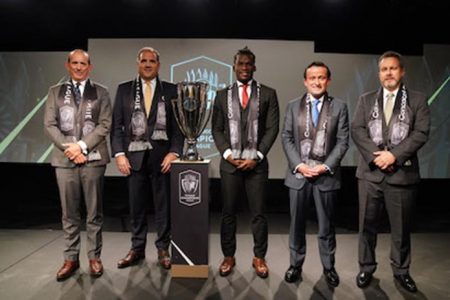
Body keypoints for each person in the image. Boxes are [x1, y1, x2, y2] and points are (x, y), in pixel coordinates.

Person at [351, 51, 430, 293]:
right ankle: (366, 267)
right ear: (379, 74)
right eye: (384, 69)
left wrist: (393, 155)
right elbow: (357, 129)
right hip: (370, 175)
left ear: (402, 71)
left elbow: (421, 133)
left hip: (402, 176)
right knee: (367, 226)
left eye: (393, 68)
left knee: (401, 229)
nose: (388, 73)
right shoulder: (366, 100)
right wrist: (378, 156)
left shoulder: (417, 99)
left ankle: (401, 271)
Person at [111, 47, 183, 270]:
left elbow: (179, 127)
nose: (148, 64)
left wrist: (174, 152)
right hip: (134, 159)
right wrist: (120, 154)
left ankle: (163, 249)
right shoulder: (124, 90)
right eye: (144, 61)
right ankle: (137, 248)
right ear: (138, 64)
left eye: (152, 61)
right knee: (136, 207)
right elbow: (117, 127)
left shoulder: (171, 90)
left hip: (163, 161)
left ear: (159, 65)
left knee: (164, 208)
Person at [44, 49, 112, 281]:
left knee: (94, 213)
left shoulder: (101, 92)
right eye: (75, 63)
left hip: (93, 159)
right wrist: (70, 149)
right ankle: (70, 258)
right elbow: (50, 125)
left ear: (90, 67)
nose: (79, 67)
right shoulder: (55, 92)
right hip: (65, 161)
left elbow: (105, 125)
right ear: (68, 65)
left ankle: (94, 257)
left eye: (83, 63)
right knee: (69, 213)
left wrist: (82, 146)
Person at [212, 47, 280, 278]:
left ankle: (259, 257)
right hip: (229, 165)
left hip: (257, 166)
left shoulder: (269, 94)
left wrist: (257, 156)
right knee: (228, 213)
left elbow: (272, 128)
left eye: (248, 64)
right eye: (240, 64)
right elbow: (216, 129)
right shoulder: (222, 95)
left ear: (254, 66)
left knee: (258, 214)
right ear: (234, 67)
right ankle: (228, 256)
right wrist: (227, 154)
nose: (244, 68)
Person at [281, 62, 349, 286]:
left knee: (326, 227)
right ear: (305, 81)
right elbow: (287, 138)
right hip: (298, 176)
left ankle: (329, 267)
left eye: (321, 78)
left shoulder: (339, 106)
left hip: (325, 176)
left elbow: (342, 141)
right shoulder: (292, 106)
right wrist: (299, 165)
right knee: (296, 225)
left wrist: (325, 166)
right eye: (313, 78)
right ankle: (295, 265)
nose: (317, 82)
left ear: (328, 81)